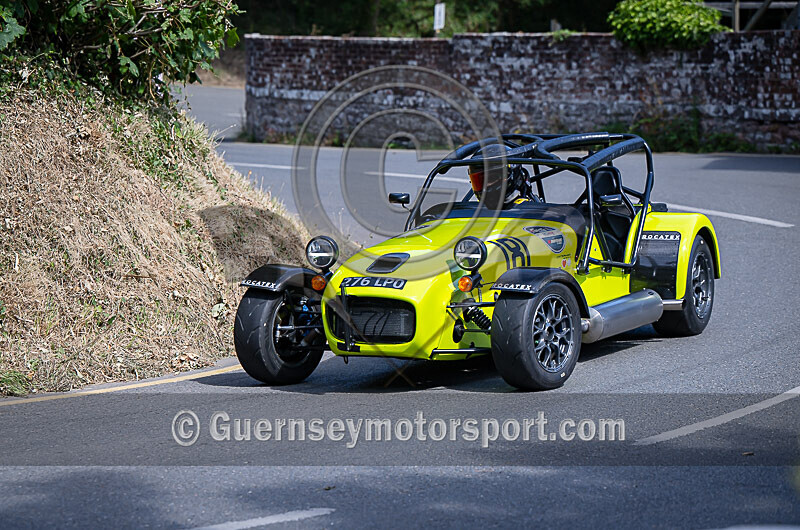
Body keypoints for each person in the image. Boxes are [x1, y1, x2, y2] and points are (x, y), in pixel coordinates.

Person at [466, 143, 534, 207]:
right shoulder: (471, 211)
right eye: (478, 181)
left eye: (491, 178)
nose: (485, 186)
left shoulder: (530, 211)